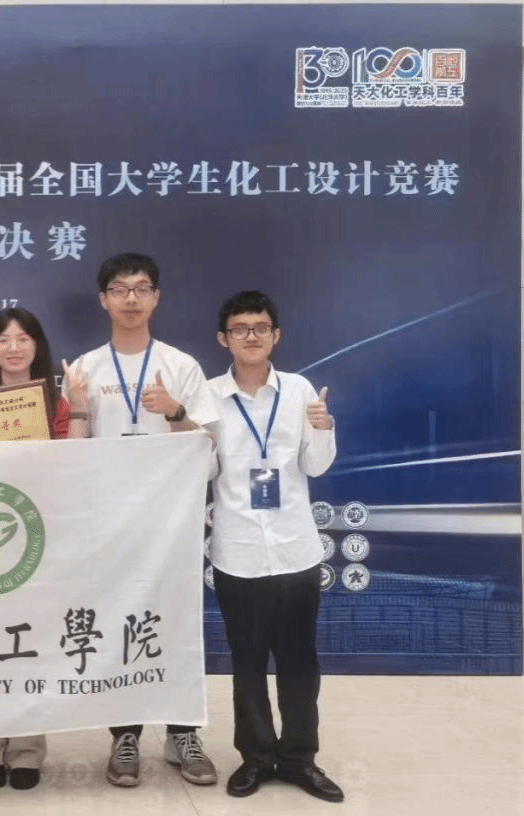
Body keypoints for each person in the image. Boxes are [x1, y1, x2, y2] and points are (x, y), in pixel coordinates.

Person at [63, 252, 219, 789]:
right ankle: (124, 735)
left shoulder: (182, 367)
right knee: (116, 622)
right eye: (120, 289)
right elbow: (71, 460)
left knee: (175, 622)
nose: (131, 298)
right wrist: (78, 405)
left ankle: (183, 732)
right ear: (103, 300)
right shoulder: (83, 370)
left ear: (156, 298)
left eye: (142, 288)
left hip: (171, 527)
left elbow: (210, 455)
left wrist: (175, 411)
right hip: (109, 526)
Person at [207, 291, 343, 802]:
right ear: (223, 338)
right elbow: (205, 472)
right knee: (247, 663)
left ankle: (300, 759)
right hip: (238, 550)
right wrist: (193, 436)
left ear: (276, 335)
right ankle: (256, 758)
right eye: (239, 328)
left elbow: (315, 466)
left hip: (294, 549)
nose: (251, 336)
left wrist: (324, 429)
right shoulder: (209, 396)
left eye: (260, 327)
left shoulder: (300, 390)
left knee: (299, 662)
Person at [0, 306, 87, 790]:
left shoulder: (55, 402)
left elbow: (74, 463)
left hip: (39, 534)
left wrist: (79, 405)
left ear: (37, 346)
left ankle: (28, 750)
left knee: (30, 643)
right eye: (3, 339)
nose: (13, 348)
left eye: (23, 338)